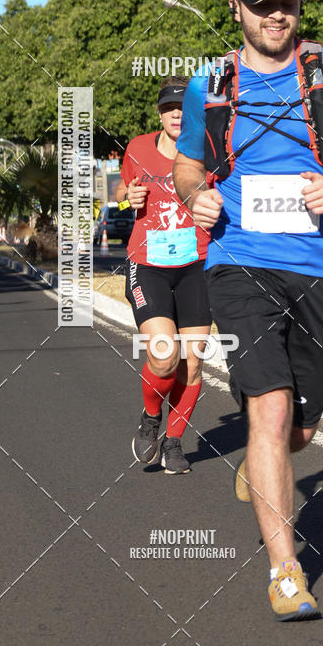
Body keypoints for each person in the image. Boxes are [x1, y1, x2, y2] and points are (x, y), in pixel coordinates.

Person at [173, 0, 323, 618]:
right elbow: (187, 167)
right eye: (263, 5)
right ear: (236, 8)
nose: (277, 16)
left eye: (287, 4)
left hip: (318, 266)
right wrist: (197, 198)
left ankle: (264, 459)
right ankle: (286, 571)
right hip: (238, 260)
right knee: (267, 408)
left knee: (299, 429)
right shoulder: (210, 83)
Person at [116, 76, 211, 474]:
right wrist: (128, 198)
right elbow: (121, 192)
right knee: (163, 354)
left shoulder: (210, 151)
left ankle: (173, 442)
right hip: (148, 264)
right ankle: (151, 417)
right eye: (169, 108)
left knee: (192, 361)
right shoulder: (138, 148)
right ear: (159, 114)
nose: (176, 115)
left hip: (197, 264)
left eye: (183, 108)